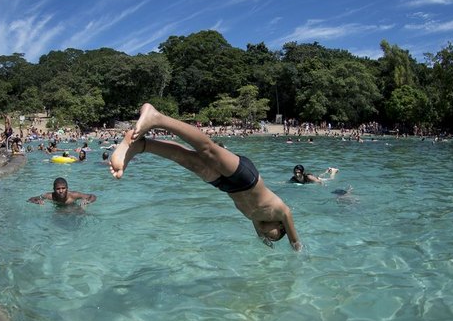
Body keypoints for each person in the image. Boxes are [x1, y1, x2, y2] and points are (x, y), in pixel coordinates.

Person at [109, 103, 301, 251]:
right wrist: (297, 249)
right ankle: (157, 117)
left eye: (271, 237)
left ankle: (141, 146)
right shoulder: (281, 212)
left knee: (186, 160)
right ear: (282, 226)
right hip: (247, 179)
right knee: (207, 150)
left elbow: (263, 237)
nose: (271, 236)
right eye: (276, 235)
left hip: (226, 187)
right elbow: (294, 240)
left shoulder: (256, 220)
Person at [27, 177, 97, 206]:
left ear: (67, 188)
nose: (61, 191)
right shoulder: (49, 196)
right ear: (54, 189)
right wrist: (37, 202)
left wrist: (88, 201)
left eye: (63, 188)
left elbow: (92, 196)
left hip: (73, 208)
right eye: (58, 189)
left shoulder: (74, 195)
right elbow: (31, 199)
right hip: (59, 210)